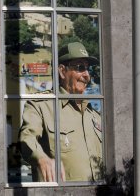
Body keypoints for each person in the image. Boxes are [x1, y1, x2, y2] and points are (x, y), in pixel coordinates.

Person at [19, 42, 103, 182]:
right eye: (80, 68)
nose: (87, 75)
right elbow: (26, 138)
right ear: (62, 71)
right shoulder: (41, 105)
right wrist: (42, 158)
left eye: (88, 69)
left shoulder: (94, 115)